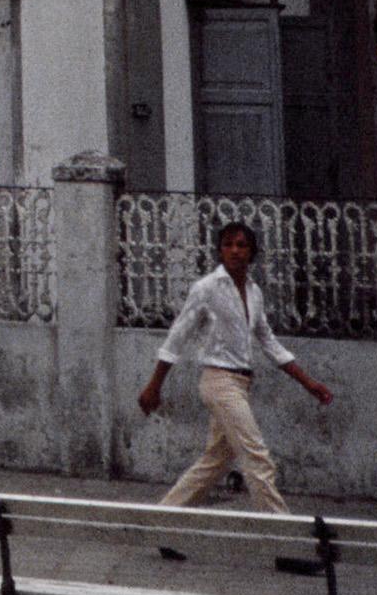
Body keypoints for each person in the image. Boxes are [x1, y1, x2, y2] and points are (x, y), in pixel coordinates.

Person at [138, 220, 334, 523]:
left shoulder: (254, 292)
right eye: (228, 245)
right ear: (219, 250)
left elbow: (268, 341)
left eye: (242, 245)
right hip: (219, 382)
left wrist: (309, 383)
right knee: (258, 459)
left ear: (252, 252)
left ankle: (162, 522)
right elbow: (176, 337)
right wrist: (154, 386)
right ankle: (286, 541)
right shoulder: (206, 289)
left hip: (241, 383)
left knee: (215, 461)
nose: (235, 251)